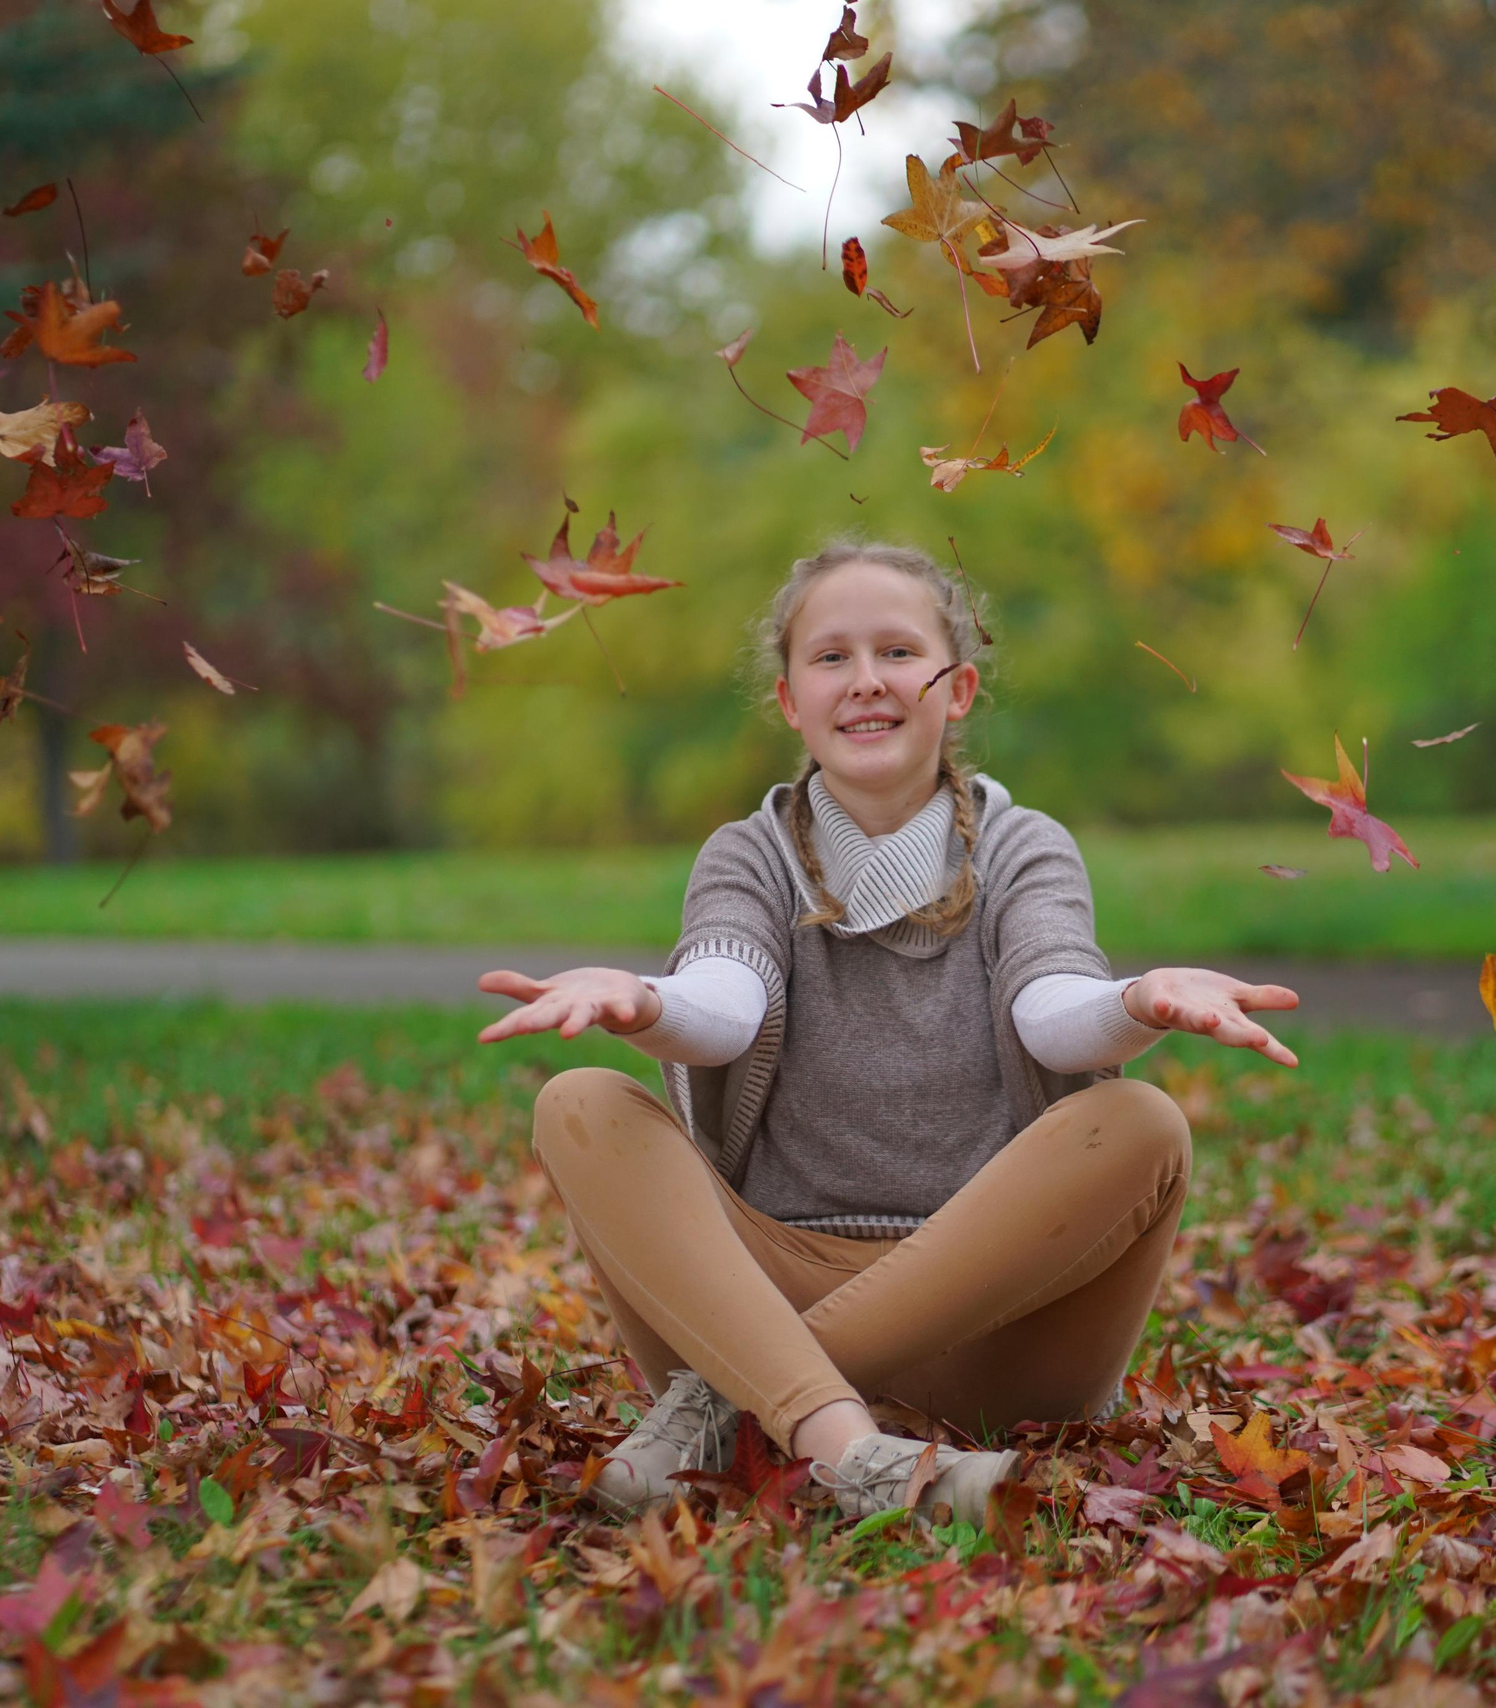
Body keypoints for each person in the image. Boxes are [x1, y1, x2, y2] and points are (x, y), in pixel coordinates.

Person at [476, 538, 1301, 1531]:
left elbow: (1051, 1012)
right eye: (830, 657)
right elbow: (726, 1002)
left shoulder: (1020, 847)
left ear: (957, 690)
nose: (866, 681)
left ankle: (723, 1414)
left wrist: (1137, 1002)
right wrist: (644, 1002)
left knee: (1141, 1123)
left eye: (899, 653)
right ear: (789, 699)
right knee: (579, 1102)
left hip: (991, 1326)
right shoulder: (750, 855)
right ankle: (851, 1453)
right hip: (758, 1297)